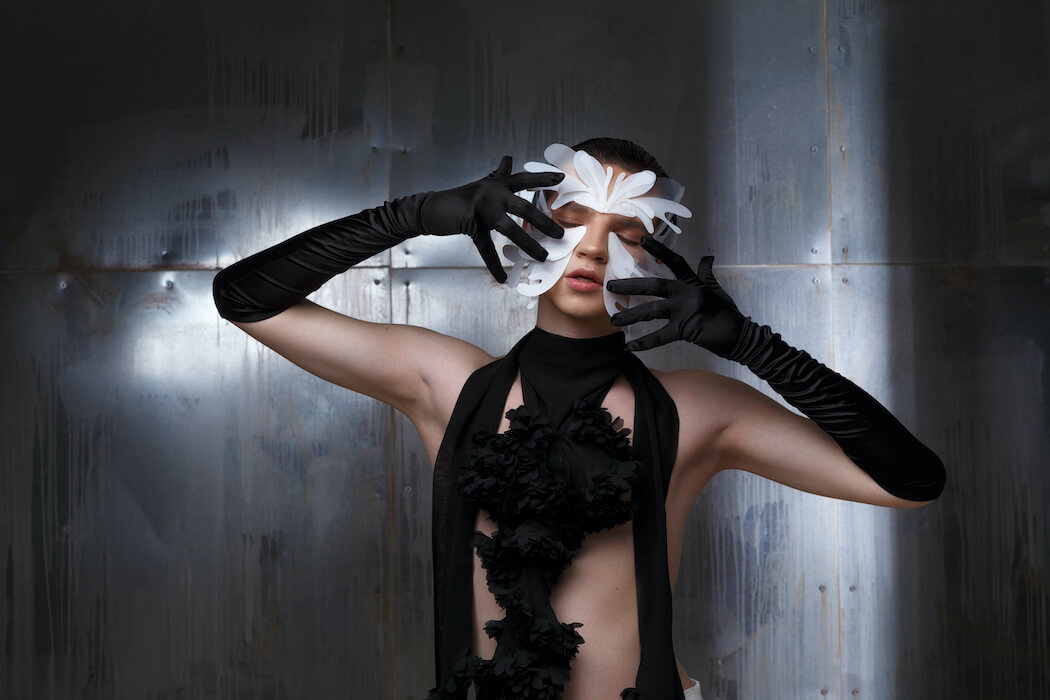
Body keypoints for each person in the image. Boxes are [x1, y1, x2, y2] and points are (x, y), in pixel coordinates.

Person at [212, 138, 946, 700]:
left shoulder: (694, 409)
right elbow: (245, 299)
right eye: (569, 219)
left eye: (626, 232)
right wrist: (417, 214)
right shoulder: (449, 384)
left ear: (656, 256)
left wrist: (753, 345)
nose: (592, 246)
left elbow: (911, 482)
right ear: (523, 225)